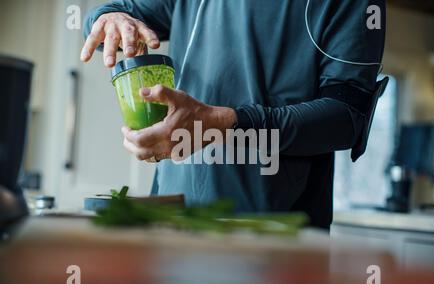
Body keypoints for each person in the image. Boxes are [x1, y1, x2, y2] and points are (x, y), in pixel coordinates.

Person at [82, 0, 385, 229]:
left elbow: (346, 117)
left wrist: (227, 123)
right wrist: (109, 18)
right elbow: (114, 12)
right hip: (173, 223)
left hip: (278, 239)